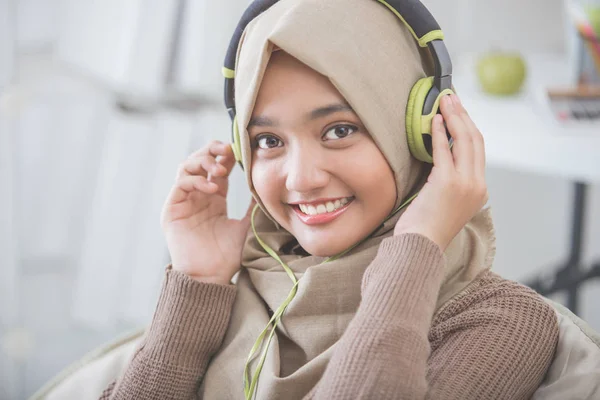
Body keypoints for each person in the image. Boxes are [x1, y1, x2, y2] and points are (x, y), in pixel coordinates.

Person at [100, 0, 559, 399]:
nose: (301, 178)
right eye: (267, 140)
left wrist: (417, 245)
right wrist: (198, 282)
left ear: (419, 134)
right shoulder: (230, 292)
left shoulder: (502, 323)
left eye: (340, 130)